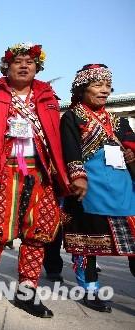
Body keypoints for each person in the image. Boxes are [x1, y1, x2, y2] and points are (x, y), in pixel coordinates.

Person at [0, 43, 69, 318]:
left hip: (39, 174)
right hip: (1, 170)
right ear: (7, 67)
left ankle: (27, 290)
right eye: (18, 62)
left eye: (30, 62)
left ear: (38, 68)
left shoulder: (48, 98)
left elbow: (59, 140)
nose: (24, 66)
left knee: (38, 234)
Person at [61, 64, 135, 312]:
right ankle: (90, 290)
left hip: (122, 188)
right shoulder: (72, 117)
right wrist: (78, 177)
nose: (104, 91)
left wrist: (131, 153)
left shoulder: (118, 120)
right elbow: (70, 149)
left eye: (107, 86)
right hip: (89, 189)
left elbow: (131, 144)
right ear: (82, 89)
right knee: (87, 244)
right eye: (97, 85)